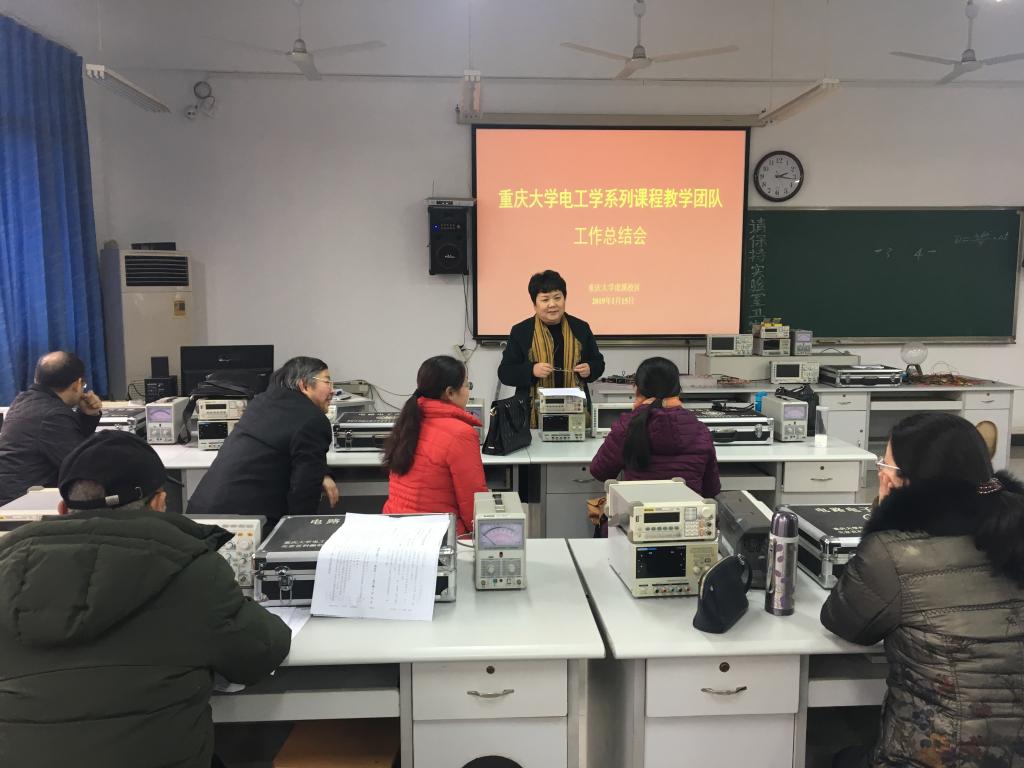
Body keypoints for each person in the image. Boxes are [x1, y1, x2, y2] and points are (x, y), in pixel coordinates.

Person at [0, 431, 291, 768]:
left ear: (63, 508)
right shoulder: (193, 571)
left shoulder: (5, 571)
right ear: (159, 503)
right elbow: (261, 652)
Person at [820, 413, 1024, 768]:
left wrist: (882, 518)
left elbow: (844, 622)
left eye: (886, 465)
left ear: (909, 480)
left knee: (830, 750)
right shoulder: (1012, 526)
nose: (880, 473)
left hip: (936, 756)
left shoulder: (893, 552)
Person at [187, 356, 338, 529]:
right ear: (304, 385)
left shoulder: (261, 403)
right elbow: (304, 491)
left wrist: (320, 472)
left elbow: (284, 447)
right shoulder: (312, 418)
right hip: (243, 525)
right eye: (327, 382)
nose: (332, 390)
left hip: (200, 515)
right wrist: (300, 536)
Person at [589, 357, 720, 531]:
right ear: (677, 389)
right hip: (688, 530)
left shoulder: (628, 426)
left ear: (637, 389)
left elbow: (600, 471)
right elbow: (711, 489)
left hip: (636, 528)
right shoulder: (700, 430)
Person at [382, 355, 487, 535]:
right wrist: (481, 537)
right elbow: (472, 500)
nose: (468, 391)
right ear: (450, 392)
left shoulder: (410, 419)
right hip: (437, 533)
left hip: (395, 529)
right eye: (466, 385)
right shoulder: (460, 433)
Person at [497, 270, 605, 424]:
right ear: (534, 304)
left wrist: (590, 368)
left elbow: (598, 363)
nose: (552, 304)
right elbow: (505, 372)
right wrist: (532, 370)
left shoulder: (580, 327)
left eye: (557, 298)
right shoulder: (521, 331)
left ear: (564, 299)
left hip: (576, 413)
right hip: (531, 415)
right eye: (545, 299)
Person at [0, 351, 103, 505]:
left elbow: (73, 446)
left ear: (37, 378)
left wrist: (87, 416)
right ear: (77, 384)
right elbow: (81, 466)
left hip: (15, 497)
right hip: (23, 503)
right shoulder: (53, 415)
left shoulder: (23, 401)